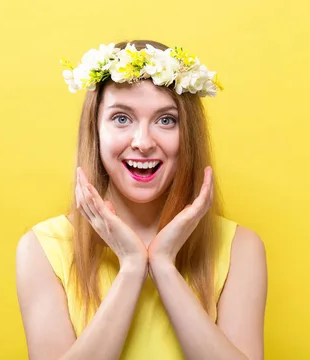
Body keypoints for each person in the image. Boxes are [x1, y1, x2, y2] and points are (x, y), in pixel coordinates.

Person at [15, 40, 268, 360]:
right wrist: (132, 266)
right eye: (121, 118)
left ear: (188, 133)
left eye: (166, 120)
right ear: (95, 131)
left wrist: (163, 265)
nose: (143, 142)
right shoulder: (42, 248)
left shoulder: (238, 247)